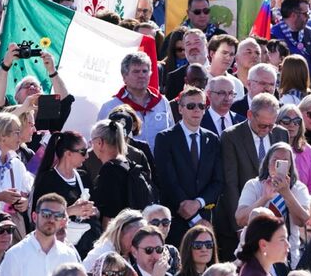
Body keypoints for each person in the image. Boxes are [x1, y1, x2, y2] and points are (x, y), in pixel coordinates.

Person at [218, 93, 288, 258]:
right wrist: (239, 224)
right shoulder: (231, 136)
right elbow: (231, 183)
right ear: (250, 115)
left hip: (275, 214)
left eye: (272, 125)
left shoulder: (281, 134)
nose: (268, 130)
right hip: (244, 212)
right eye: (263, 125)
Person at [153, 86, 222, 243]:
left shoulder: (212, 139)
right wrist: (193, 216)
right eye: (191, 106)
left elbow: (218, 181)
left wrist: (198, 204)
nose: (196, 110)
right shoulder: (165, 138)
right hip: (176, 219)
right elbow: (167, 181)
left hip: (205, 219)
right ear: (180, 109)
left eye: (201, 106)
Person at [99, 51, 173, 152]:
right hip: (129, 165)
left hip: (161, 164)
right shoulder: (111, 107)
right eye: (136, 71)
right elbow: (100, 143)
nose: (141, 75)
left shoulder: (162, 102)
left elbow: (172, 136)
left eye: (145, 71)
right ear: (124, 77)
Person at [271, 0, 311, 78]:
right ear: (293, 15)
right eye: (306, 14)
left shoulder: (309, 32)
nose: (308, 17)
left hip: (310, 87)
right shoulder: (273, 35)